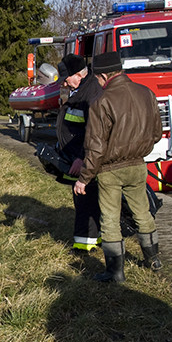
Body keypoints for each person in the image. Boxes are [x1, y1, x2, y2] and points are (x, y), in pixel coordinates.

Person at [73, 51, 163, 282]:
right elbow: (156, 133)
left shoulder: (101, 102)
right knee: (142, 212)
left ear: (103, 76)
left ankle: (115, 272)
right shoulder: (146, 93)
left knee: (110, 219)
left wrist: (84, 178)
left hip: (110, 170)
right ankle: (153, 260)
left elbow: (95, 148)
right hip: (138, 165)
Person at [55, 53, 104, 254]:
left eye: (67, 79)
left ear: (79, 75)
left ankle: (86, 245)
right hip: (75, 156)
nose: (65, 84)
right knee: (82, 198)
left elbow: (94, 132)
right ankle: (89, 239)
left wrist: (81, 158)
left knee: (85, 197)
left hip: (83, 159)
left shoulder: (91, 94)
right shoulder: (82, 90)